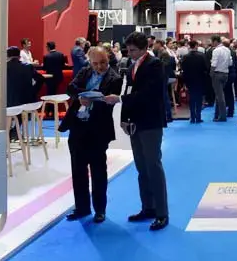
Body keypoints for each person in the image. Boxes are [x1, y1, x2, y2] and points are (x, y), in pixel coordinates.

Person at [104, 32, 169, 230]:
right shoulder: (132, 66)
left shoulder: (155, 64)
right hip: (136, 122)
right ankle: (147, 207)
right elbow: (128, 92)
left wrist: (121, 100)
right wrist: (124, 118)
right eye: (128, 50)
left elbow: (150, 94)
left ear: (143, 48)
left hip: (151, 122)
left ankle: (162, 212)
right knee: (141, 167)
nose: (129, 53)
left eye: (133, 50)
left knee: (153, 166)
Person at [61, 47, 122, 224]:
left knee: (98, 172)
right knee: (78, 170)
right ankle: (81, 207)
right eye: (95, 63)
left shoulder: (115, 78)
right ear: (90, 61)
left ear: (108, 59)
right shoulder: (84, 71)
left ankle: (100, 210)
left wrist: (97, 99)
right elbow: (70, 87)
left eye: (103, 62)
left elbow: (109, 104)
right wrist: (81, 96)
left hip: (98, 130)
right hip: (78, 126)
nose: (100, 67)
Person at [181, 40, 208, 124]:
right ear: (196, 46)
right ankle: (198, 117)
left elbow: (183, 69)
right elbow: (206, 68)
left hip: (190, 80)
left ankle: (192, 117)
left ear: (189, 46)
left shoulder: (185, 57)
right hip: (200, 79)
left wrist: (184, 81)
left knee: (191, 99)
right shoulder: (202, 56)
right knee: (199, 99)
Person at [209, 35, 232, 122]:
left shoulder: (216, 50)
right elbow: (230, 63)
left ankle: (222, 116)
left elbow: (213, 64)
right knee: (219, 95)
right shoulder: (227, 49)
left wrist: (211, 74)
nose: (211, 43)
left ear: (215, 41)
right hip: (225, 74)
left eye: (212, 41)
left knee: (220, 96)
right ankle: (217, 114)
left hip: (217, 74)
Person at [154, 40, 177, 122]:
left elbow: (164, 65)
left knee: (164, 96)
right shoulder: (161, 52)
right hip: (163, 76)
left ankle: (168, 116)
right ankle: (166, 115)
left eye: (155, 44)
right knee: (164, 96)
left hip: (163, 76)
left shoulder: (164, 53)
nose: (154, 45)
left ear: (159, 44)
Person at [43, 41, 68, 118]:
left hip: (49, 78)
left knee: (49, 95)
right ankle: (54, 112)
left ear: (48, 47)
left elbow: (45, 68)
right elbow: (63, 66)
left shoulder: (47, 56)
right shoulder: (61, 55)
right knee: (54, 94)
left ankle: (48, 112)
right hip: (58, 78)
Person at [224, 39, 237, 118]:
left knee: (225, 93)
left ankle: (225, 109)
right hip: (232, 74)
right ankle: (231, 111)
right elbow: (236, 63)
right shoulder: (233, 52)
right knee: (230, 93)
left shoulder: (225, 52)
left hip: (226, 74)